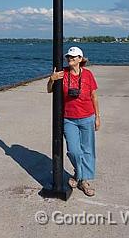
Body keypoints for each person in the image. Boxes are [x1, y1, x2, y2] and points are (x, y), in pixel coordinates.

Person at [47, 46, 100, 196]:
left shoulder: (88, 75)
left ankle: (83, 180)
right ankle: (79, 171)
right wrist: (51, 79)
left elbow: (94, 96)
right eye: (68, 57)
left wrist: (97, 117)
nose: (70, 59)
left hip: (87, 117)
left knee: (88, 149)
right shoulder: (62, 74)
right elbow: (49, 90)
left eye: (74, 57)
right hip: (69, 119)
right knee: (74, 150)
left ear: (80, 59)